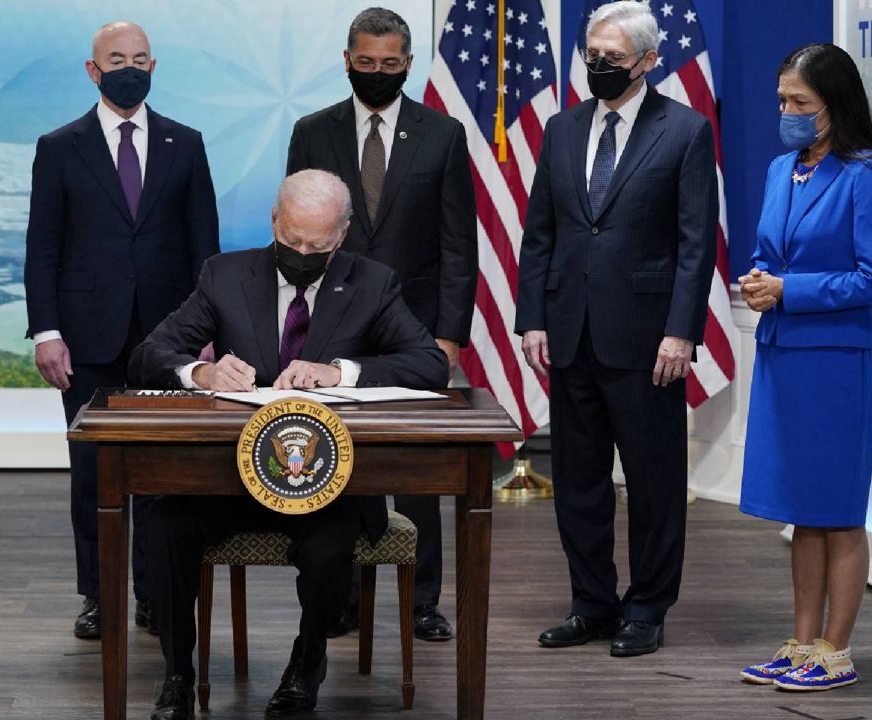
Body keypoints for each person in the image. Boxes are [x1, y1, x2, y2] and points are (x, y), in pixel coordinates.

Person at [129, 169, 447, 719]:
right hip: (228, 481)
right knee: (164, 524)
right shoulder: (224, 275)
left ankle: (307, 662)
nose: (302, 253)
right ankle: (178, 673)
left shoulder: (372, 283)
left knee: (330, 550)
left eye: (317, 246)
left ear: (341, 236)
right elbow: (148, 355)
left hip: (327, 485)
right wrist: (199, 374)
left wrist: (340, 373)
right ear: (274, 221)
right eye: (292, 240)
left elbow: (430, 364)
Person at [516, 0, 718, 657]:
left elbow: (696, 244)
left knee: (654, 483)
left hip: (648, 337)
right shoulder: (562, 128)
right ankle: (592, 604)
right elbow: (540, 231)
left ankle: (647, 608)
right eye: (591, 56)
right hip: (570, 331)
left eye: (612, 59)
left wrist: (682, 331)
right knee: (578, 481)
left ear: (649, 62)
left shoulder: (685, 131)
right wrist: (532, 317)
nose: (597, 67)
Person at [24, 20, 219, 640]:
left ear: (153, 66)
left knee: (162, 476)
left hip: (171, 341)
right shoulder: (59, 147)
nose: (128, 67)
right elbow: (43, 250)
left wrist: (210, 332)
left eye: (139, 58)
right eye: (116, 58)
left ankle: (154, 592)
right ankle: (98, 594)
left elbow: (204, 251)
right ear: (93, 70)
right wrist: (45, 332)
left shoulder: (184, 145)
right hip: (86, 339)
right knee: (93, 476)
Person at [286, 6, 476, 642]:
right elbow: (297, 235)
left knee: (415, 470)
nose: (376, 73)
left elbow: (458, 244)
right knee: (333, 467)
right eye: (365, 63)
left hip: (413, 329)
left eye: (389, 65)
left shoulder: (442, 135)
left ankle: (422, 601)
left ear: (407, 64)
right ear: (346, 60)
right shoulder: (312, 131)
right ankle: (336, 599)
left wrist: (448, 336)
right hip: (331, 324)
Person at [736, 43, 872, 692]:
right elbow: (768, 251)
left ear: (835, 104)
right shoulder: (783, 170)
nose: (788, 112)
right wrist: (758, 280)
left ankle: (836, 650)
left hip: (835, 363)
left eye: (800, 103)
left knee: (838, 511)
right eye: (782, 101)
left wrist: (790, 291)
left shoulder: (868, 175)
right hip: (784, 357)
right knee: (802, 510)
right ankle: (801, 641)